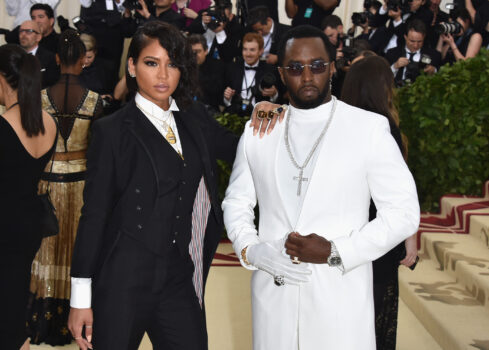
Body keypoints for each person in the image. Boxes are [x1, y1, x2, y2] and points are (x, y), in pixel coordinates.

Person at [222, 25, 420, 349]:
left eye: (316, 66)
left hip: (340, 300)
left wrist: (337, 252)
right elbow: (236, 202)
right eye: (296, 68)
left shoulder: (367, 129)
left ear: (331, 68)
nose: (308, 76)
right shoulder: (260, 130)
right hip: (274, 298)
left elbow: (403, 213)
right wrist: (252, 249)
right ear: (282, 74)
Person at [66, 21, 240, 350]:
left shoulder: (194, 119)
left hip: (177, 277)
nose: (163, 75)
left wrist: (271, 118)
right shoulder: (112, 131)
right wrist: (80, 298)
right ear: (131, 66)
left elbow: (240, 149)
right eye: (151, 62)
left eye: (172, 64)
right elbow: (95, 215)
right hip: (121, 281)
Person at [28, 29, 103, 346]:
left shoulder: (40, 98)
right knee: (79, 250)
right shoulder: (97, 101)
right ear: (83, 61)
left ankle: (41, 322)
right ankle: (79, 316)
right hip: (83, 185)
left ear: (57, 59)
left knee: (45, 251)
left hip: (47, 182)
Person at [340, 54, 418, 350]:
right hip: (379, 238)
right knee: (374, 321)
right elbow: (400, 191)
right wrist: (409, 238)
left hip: (345, 234)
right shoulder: (383, 127)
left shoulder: (339, 124)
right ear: (380, 86)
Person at [0, 44, 57, 350]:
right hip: (29, 224)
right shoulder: (47, 122)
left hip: (4, 226)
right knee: (14, 300)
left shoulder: (5, 125)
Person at [222, 32, 280, 116]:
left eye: (252, 50)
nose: (248, 54)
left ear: (261, 51)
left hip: (261, 117)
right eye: (245, 49)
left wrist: (274, 94)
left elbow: (279, 103)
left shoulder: (270, 71)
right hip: (234, 115)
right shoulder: (232, 68)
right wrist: (227, 97)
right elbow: (225, 101)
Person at [385, 19, 441, 86]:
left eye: (419, 41)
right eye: (412, 41)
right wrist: (395, 67)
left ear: (424, 37)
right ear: (405, 37)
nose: (415, 45)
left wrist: (433, 71)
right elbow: (383, 78)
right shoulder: (392, 53)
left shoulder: (433, 55)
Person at [187, 34, 225, 112]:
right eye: (192, 52)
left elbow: (216, 91)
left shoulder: (217, 66)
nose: (195, 55)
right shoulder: (184, 66)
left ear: (206, 51)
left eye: (198, 51)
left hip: (209, 109)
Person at [18, 20, 59, 89]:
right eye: (21, 31)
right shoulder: (14, 56)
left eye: (28, 31)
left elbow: (52, 85)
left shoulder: (50, 58)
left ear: (38, 37)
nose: (23, 35)